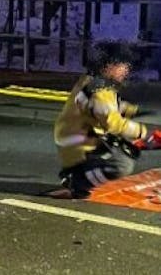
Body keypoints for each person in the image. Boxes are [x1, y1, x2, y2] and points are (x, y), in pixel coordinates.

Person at [54, 41, 157, 199]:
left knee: (124, 146)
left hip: (75, 139)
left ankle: (77, 174)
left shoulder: (93, 81)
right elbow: (112, 122)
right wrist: (143, 132)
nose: (126, 70)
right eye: (122, 65)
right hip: (79, 145)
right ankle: (78, 182)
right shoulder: (100, 89)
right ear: (108, 66)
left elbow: (105, 107)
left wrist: (131, 110)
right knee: (121, 165)